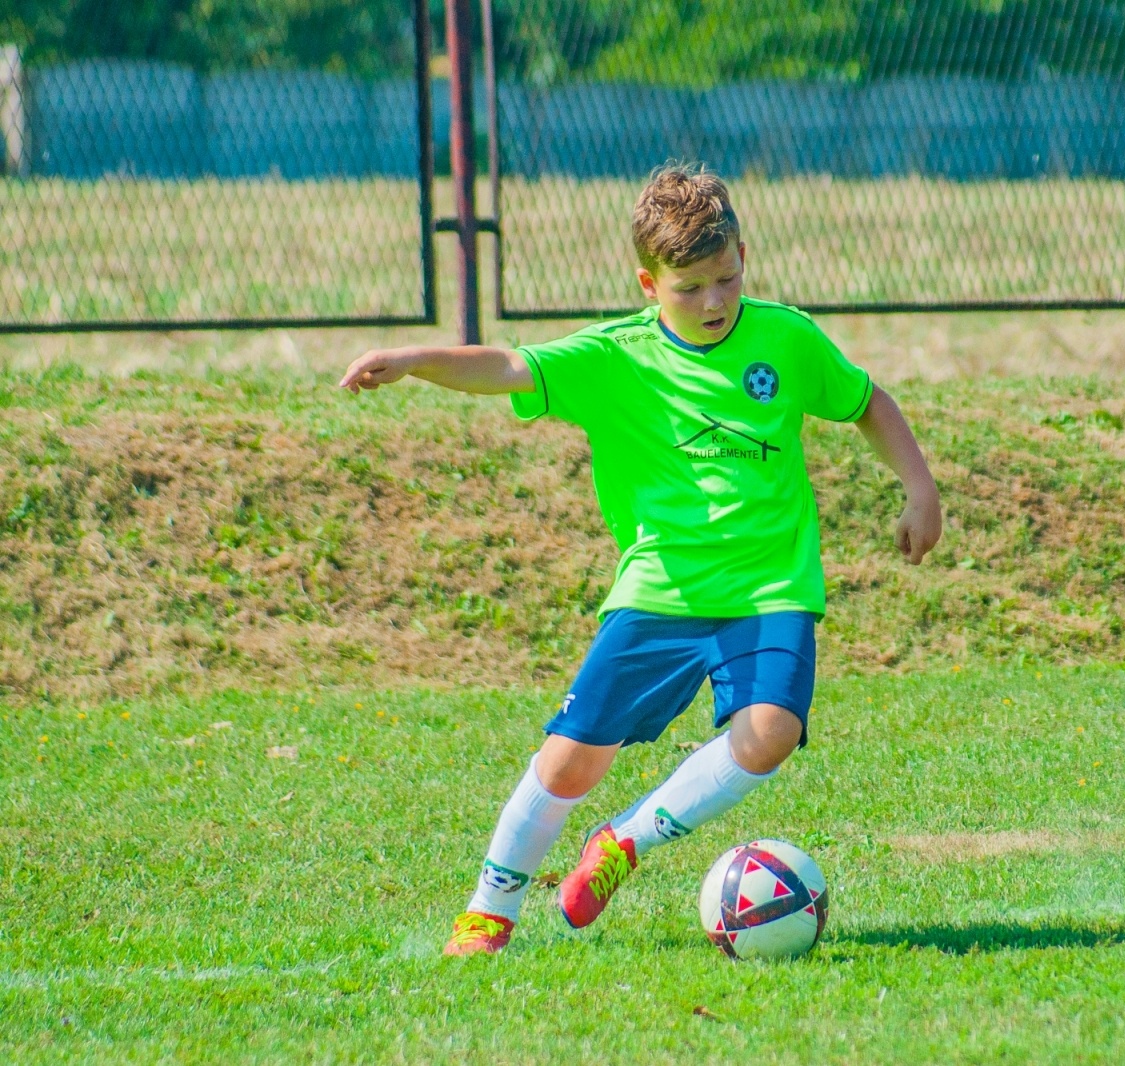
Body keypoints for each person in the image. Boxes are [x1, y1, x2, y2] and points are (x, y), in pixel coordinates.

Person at [339, 163, 943, 955]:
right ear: (648, 283)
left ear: (743, 257)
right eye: (689, 287)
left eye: (726, 279)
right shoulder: (616, 357)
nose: (714, 302)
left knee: (771, 731)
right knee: (571, 761)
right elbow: (509, 367)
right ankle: (490, 909)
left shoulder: (786, 337)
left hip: (770, 587)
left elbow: (863, 401)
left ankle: (625, 842)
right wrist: (418, 359)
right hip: (660, 589)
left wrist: (919, 489)